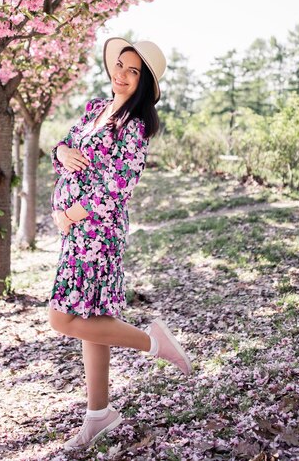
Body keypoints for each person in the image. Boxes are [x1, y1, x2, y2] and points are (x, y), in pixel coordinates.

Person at [49, 37, 192, 451]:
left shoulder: (135, 125)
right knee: (90, 320)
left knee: (63, 318)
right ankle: (99, 415)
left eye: (133, 72)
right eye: (121, 66)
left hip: (97, 231)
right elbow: (67, 145)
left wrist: (72, 212)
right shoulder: (96, 107)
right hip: (75, 230)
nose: (123, 75)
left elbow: (118, 184)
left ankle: (153, 341)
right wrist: (60, 151)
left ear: (144, 83)